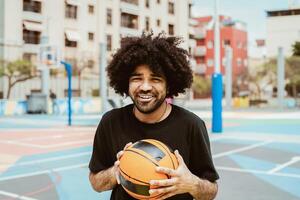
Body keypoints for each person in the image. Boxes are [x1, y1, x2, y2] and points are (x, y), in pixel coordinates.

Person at [89, 32, 219, 200]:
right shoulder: (111, 122)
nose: (145, 87)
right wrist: (116, 172)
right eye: (137, 78)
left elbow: (211, 190)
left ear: (169, 85)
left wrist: (191, 183)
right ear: (126, 83)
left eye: (155, 79)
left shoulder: (191, 125)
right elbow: (95, 182)